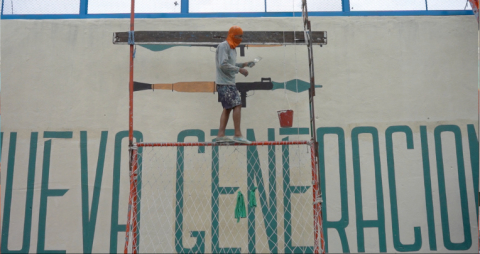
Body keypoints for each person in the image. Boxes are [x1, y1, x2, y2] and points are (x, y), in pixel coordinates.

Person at [215, 26, 255, 144]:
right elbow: (222, 64)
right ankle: (237, 134)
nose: (241, 39)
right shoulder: (224, 46)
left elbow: (230, 64)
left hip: (228, 82)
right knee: (237, 105)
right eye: (239, 36)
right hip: (224, 83)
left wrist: (244, 64)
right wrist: (239, 70)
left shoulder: (232, 48)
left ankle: (221, 135)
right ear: (233, 35)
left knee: (227, 108)